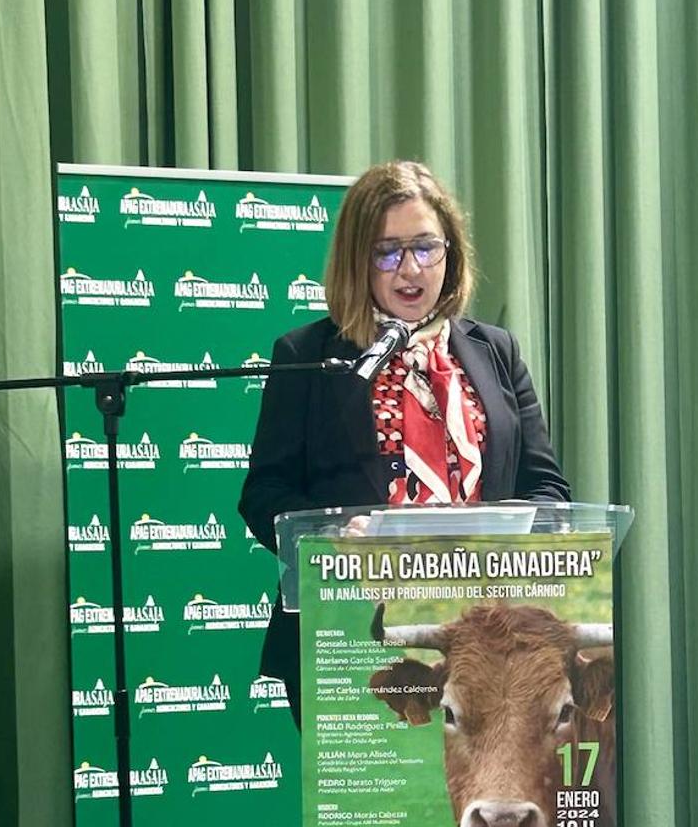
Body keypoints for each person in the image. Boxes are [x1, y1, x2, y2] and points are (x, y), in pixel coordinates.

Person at [238, 160, 570, 726]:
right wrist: (330, 535)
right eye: (386, 252)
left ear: (451, 251)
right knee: (379, 815)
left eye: (426, 247)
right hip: (352, 631)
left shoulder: (495, 351)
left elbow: (546, 486)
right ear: (356, 261)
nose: (409, 269)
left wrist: (517, 523)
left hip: (489, 631)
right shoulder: (310, 356)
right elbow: (265, 493)